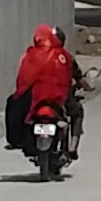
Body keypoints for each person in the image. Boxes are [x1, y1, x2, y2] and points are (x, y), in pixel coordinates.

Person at [9, 21, 82, 155]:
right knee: (77, 112)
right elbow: (74, 75)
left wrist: (22, 93)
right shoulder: (64, 57)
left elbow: (23, 78)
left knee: (15, 106)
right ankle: (72, 147)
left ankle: (17, 140)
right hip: (60, 98)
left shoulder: (31, 55)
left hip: (37, 98)